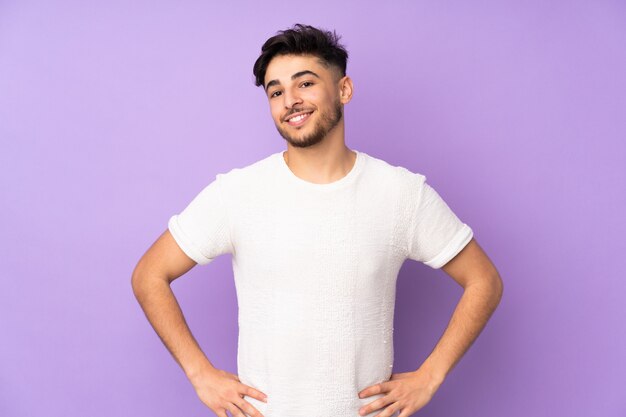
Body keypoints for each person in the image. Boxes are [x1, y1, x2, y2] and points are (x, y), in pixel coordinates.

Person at [131, 23, 503, 417]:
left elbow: (484, 281)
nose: (290, 100)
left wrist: (430, 376)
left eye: (305, 84)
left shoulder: (400, 194)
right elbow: (149, 274)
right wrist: (200, 373)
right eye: (276, 91)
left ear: (344, 89)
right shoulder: (238, 193)